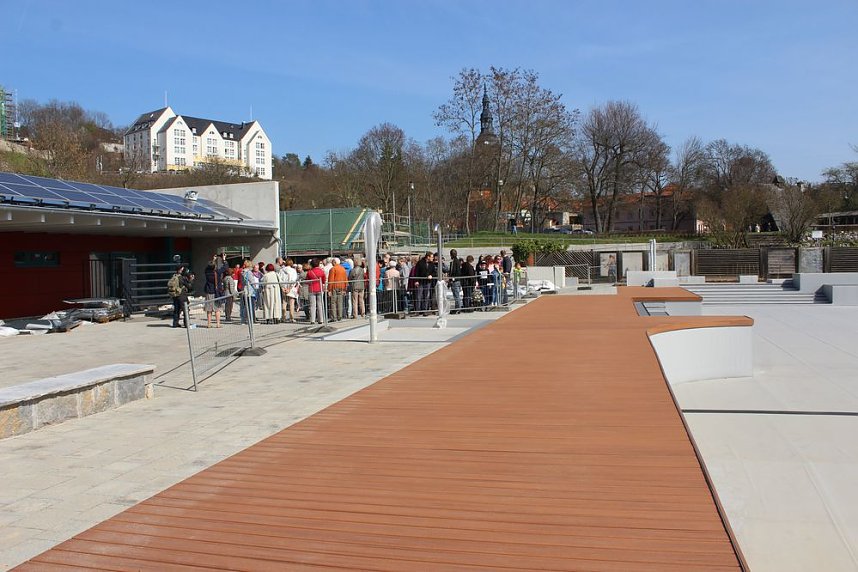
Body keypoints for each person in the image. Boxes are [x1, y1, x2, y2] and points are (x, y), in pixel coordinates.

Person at [203, 255, 224, 329]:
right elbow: (224, 268)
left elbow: (208, 267)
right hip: (216, 292)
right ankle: (218, 324)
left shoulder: (207, 272)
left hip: (209, 291)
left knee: (209, 309)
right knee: (217, 309)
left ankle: (209, 324)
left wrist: (213, 260)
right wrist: (223, 259)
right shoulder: (217, 273)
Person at [306, 258, 326, 325]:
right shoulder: (321, 271)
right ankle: (321, 319)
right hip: (320, 288)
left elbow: (307, 281)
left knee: (312, 305)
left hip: (312, 289)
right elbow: (323, 280)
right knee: (320, 304)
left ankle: (312, 320)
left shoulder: (309, 272)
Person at [281, 258, 299, 323]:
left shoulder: (281, 270)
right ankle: (292, 317)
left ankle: (283, 317)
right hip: (291, 288)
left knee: (284, 303)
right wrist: (289, 288)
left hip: (284, 288)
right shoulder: (293, 271)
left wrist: (283, 288)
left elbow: (280, 280)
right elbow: (294, 280)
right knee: (292, 303)